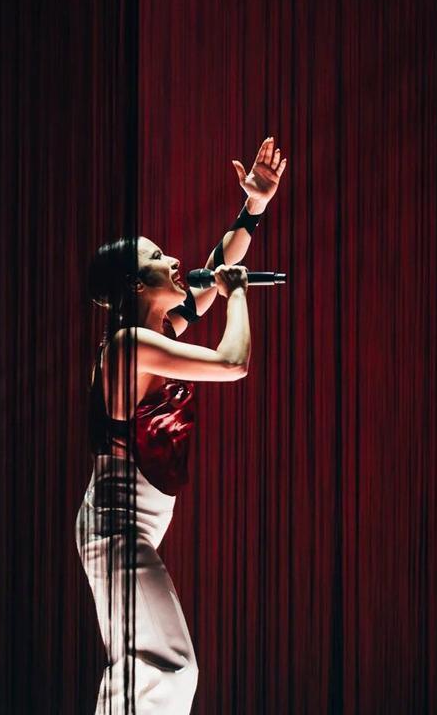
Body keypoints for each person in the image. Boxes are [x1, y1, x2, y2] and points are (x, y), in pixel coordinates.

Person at [76, 137, 287, 714]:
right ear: (135, 286)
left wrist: (254, 208)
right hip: (116, 527)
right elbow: (232, 362)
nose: (174, 259)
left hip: (128, 525)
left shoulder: (154, 333)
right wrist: (238, 293)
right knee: (169, 667)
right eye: (156, 257)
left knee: (143, 669)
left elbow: (217, 266)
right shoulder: (129, 346)